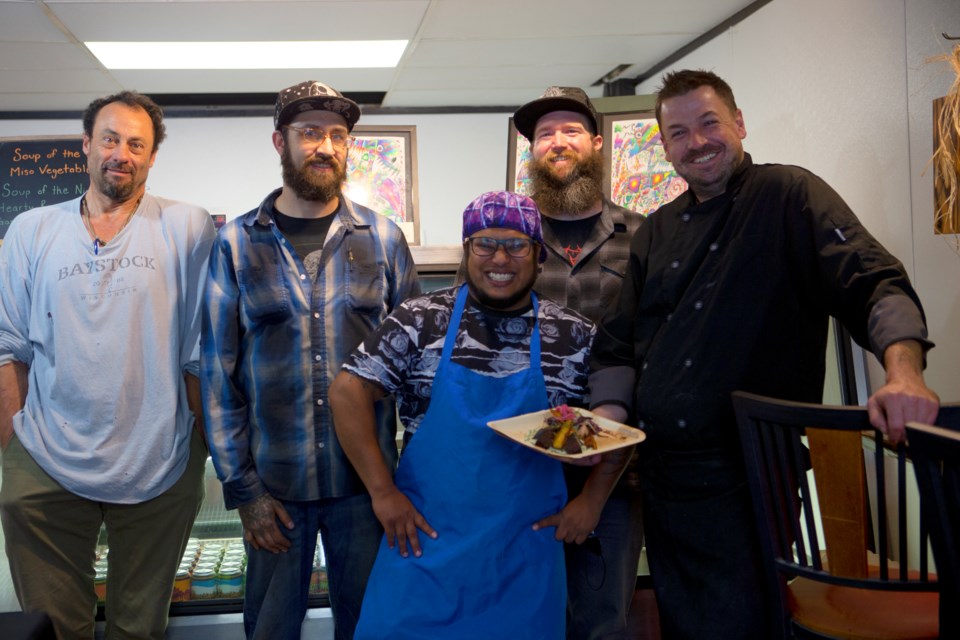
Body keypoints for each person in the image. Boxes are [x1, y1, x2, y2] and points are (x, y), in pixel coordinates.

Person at [589, 68, 941, 639]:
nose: (697, 142)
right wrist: (605, 422)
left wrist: (904, 375)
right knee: (682, 620)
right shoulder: (653, 233)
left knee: (744, 623)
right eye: (678, 133)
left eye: (709, 123)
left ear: (739, 123)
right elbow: (617, 346)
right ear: (665, 146)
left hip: (753, 470)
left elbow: (876, 284)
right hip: (662, 474)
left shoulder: (789, 195)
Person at [329, 191, 631, 639]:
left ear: (537, 255)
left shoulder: (572, 335)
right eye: (485, 244)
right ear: (467, 250)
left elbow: (619, 428)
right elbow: (346, 391)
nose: (499, 258)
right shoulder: (420, 320)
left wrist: (592, 501)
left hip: (523, 555)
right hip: (423, 544)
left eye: (516, 245)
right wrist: (382, 492)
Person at [200, 80, 420, 640]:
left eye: (338, 134)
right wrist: (244, 491)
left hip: (366, 490)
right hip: (276, 493)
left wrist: (410, 479)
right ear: (280, 142)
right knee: (271, 630)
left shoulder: (384, 238)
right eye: (309, 133)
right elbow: (218, 375)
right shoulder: (234, 243)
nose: (325, 146)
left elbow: (420, 368)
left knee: (374, 627)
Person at [0, 91, 215, 639]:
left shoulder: (188, 226)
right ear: (86, 145)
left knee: (139, 628)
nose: (122, 153)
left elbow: (200, 348)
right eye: (110, 139)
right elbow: (8, 347)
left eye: (136, 144)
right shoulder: (31, 230)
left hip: (157, 458)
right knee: (49, 628)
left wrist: (196, 446)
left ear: (151, 156)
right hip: (45, 459)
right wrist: (13, 442)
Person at [513, 86, 646, 640]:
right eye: (544, 134)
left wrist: (597, 491)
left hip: (614, 479)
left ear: (596, 143)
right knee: (522, 616)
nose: (557, 142)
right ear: (532, 153)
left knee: (600, 622)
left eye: (570, 130)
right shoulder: (505, 240)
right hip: (519, 469)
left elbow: (656, 361)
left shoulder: (644, 238)